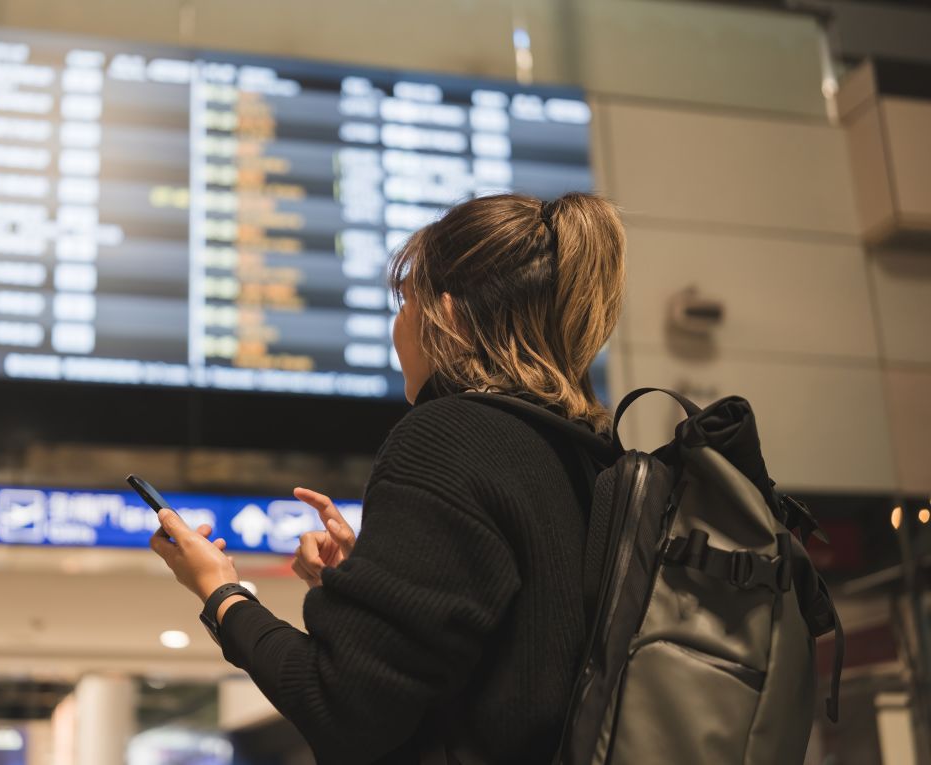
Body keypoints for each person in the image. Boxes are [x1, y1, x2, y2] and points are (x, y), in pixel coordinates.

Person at [150, 191, 627, 764]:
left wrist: (221, 590)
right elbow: (507, 656)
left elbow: (341, 708)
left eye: (404, 305)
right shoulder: (587, 452)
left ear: (445, 315)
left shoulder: (449, 434)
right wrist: (367, 586)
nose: (398, 330)